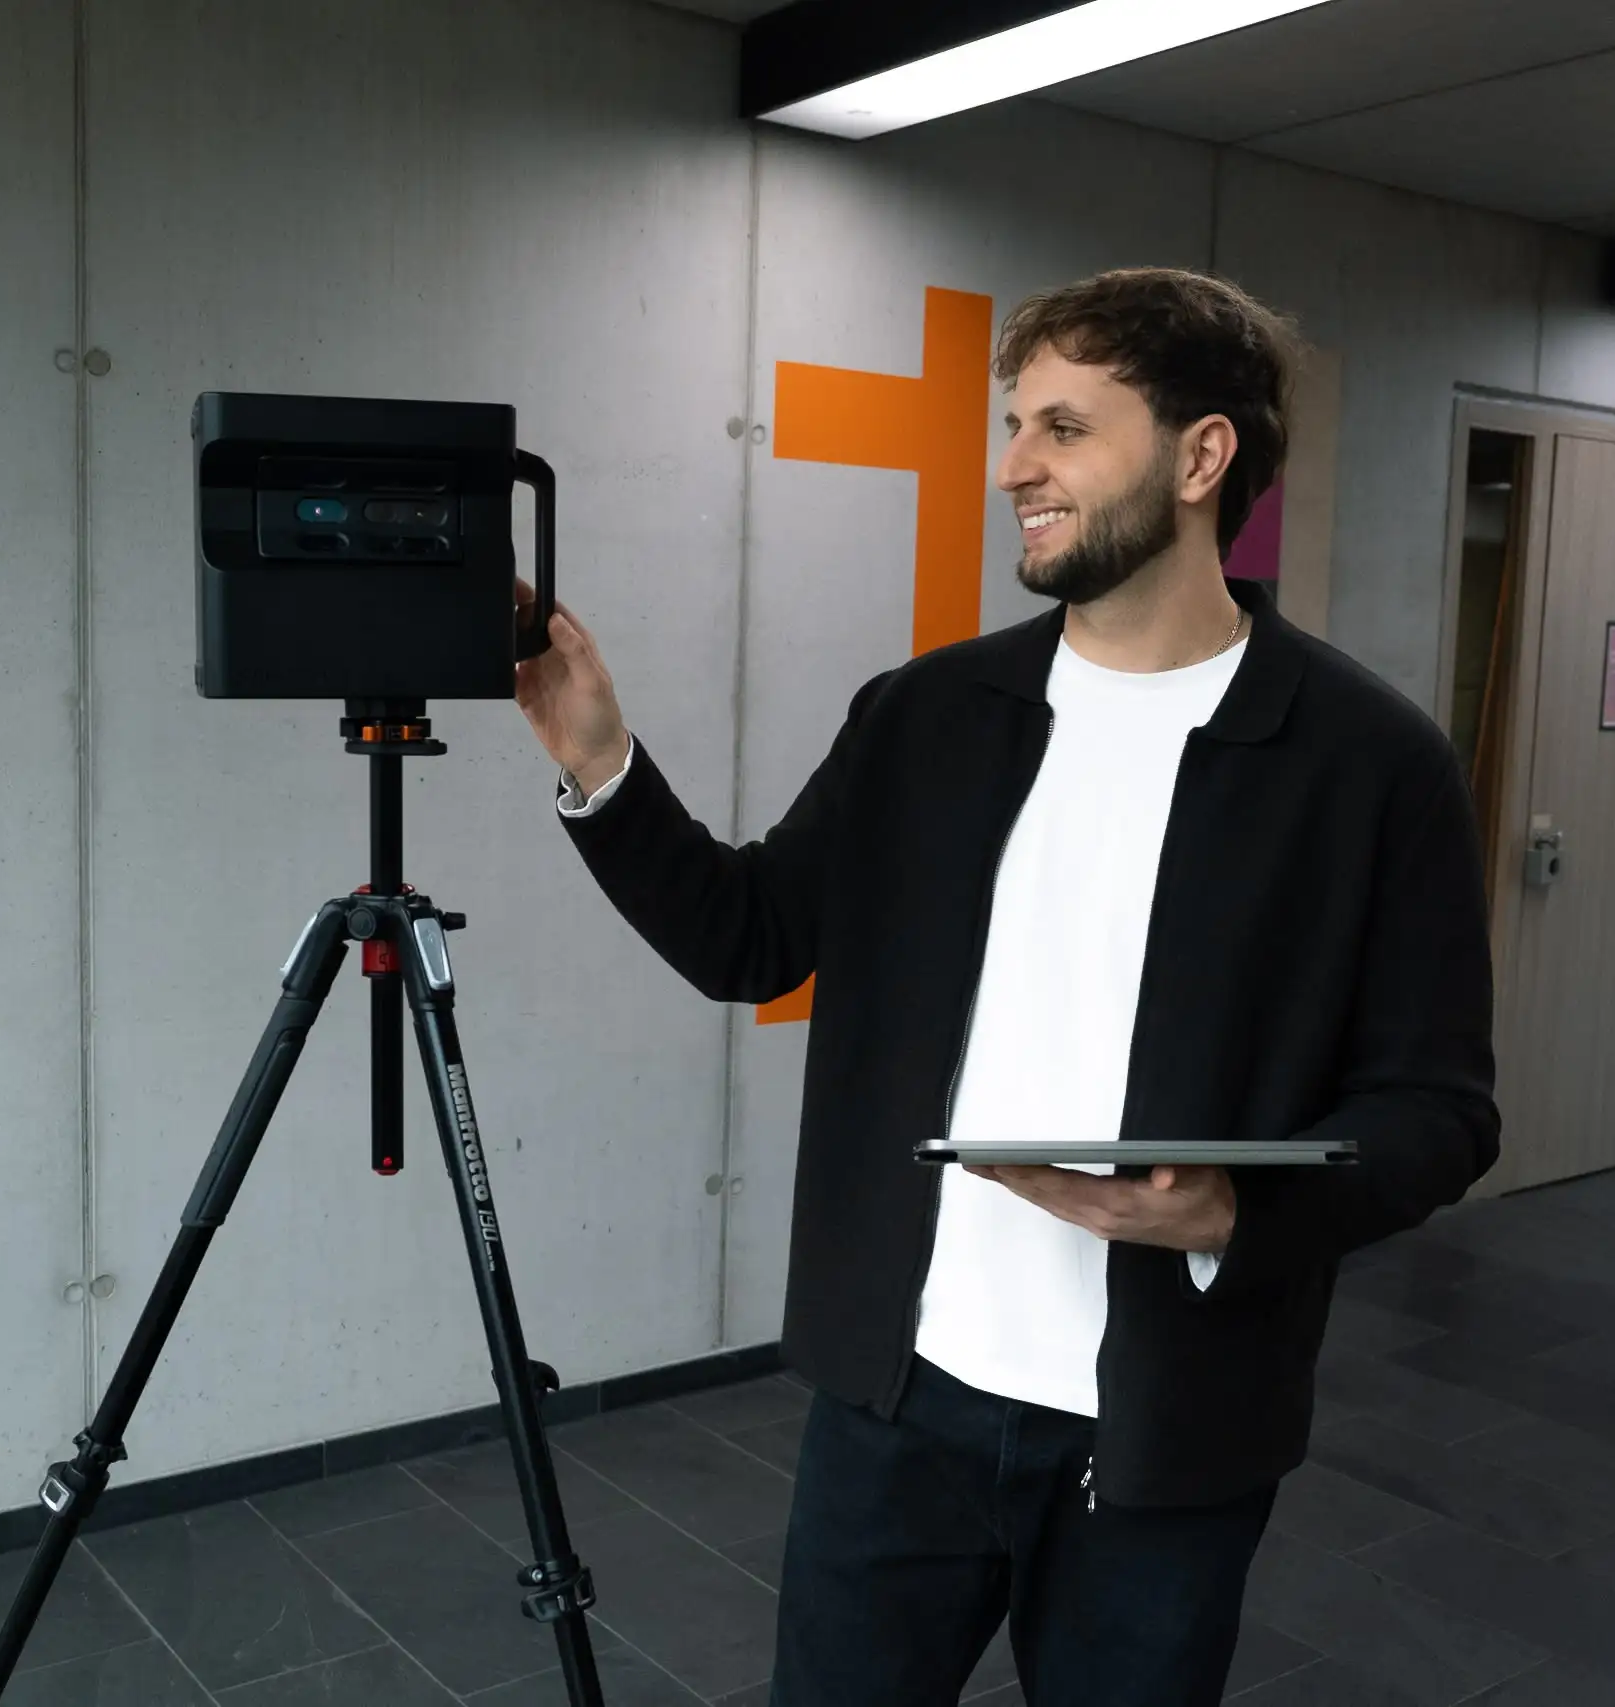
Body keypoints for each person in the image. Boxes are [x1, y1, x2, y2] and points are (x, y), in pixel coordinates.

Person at [513, 267, 1499, 1707]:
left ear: (1201, 457)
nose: (1011, 467)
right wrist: (596, 756)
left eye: (1063, 426)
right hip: (898, 1404)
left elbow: (1440, 1106)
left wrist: (1240, 1207)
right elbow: (750, 935)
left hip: (1167, 1443)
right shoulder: (927, 716)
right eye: (1012, 423)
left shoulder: (1369, 762)